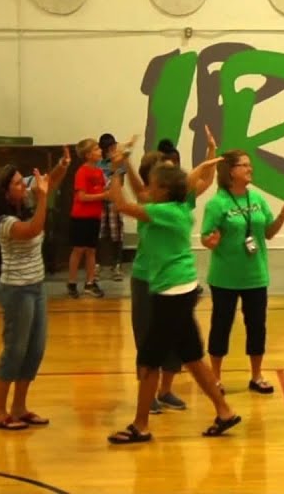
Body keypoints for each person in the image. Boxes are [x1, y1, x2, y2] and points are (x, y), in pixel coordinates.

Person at [106, 159, 242, 444]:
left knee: (149, 360)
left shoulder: (165, 211)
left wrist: (116, 169)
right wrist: (204, 163)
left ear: (165, 190)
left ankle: (140, 425)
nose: (148, 189)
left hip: (172, 294)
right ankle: (225, 411)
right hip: (181, 289)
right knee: (192, 357)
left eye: (153, 184)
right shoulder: (177, 207)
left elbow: (121, 204)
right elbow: (179, 183)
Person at [116, 130, 219, 414]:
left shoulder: (174, 205)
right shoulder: (151, 200)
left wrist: (210, 154)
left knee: (175, 348)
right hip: (148, 277)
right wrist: (123, 163)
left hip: (170, 284)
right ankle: (149, 404)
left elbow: (201, 180)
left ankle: (163, 394)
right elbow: (133, 194)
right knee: (151, 341)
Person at [201, 150, 284, 395]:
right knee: (221, 325)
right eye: (244, 165)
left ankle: (256, 375)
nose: (250, 169)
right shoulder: (217, 203)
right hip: (225, 277)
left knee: (257, 326)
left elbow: (267, 233)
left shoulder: (256, 199)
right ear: (230, 171)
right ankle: (215, 377)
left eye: (250, 165)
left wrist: (282, 216)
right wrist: (211, 241)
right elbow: (206, 237)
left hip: (255, 275)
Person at [0, 149, 70, 430]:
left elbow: (51, 182)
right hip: (16, 290)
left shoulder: (25, 202)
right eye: (18, 184)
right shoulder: (4, 221)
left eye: (24, 182)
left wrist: (62, 165)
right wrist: (44, 197)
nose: (25, 186)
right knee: (15, 350)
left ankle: (19, 407)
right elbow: (33, 230)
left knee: (34, 350)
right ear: (4, 192)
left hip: (36, 286)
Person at [68, 139, 108, 298]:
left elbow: (102, 189)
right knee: (78, 250)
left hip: (94, 216)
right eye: (96, 148)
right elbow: (82, 197)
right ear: (88, 154)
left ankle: (90, 283)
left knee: (92, 250)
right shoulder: (82, 172)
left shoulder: (99, 171)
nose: (100, 151)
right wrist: (104, 195)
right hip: (80, 216)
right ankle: (72, 283)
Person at [97, 134, 125, 282]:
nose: (114, 149)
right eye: (112, 147)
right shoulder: (98, 163)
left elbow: (121, 183)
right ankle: (98, 264)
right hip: (99, 201)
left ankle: (117, 264)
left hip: (114, 202)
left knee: (117, 233)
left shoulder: (119, 163)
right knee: (100, 233)